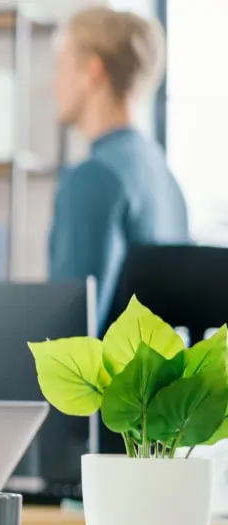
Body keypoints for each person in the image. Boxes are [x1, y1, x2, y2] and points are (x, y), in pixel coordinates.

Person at [49, 5, 190, 332]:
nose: (54, 83)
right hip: (163, 381)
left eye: (62, 66)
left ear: (91, 73)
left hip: (111, 382)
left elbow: (69, 336)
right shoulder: (163, 176)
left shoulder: (94, 178)